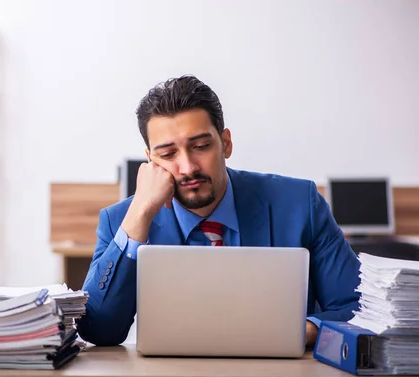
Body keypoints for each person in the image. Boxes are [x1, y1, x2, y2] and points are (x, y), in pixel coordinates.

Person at [76, 75, 361, 347]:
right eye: (168, 154)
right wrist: (139, 215)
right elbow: (98, 329)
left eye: (200, 146)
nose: (188, 167)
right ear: (150, 160)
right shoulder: (121, 221)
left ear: (225, 143)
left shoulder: (301, 204)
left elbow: (359, 308)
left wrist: (299, 332)